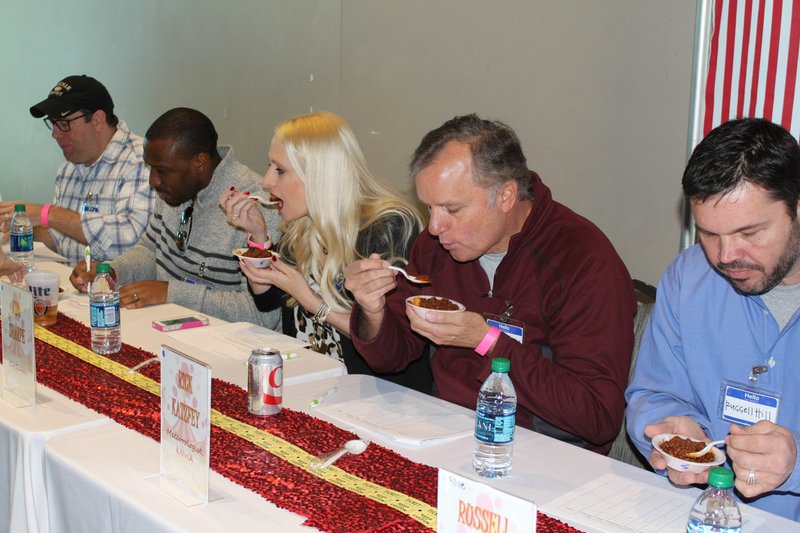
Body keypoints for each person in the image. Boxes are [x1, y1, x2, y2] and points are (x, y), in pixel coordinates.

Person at [344, 114, 636, 453]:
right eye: (429, 208)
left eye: (451, 209)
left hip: (539, 455)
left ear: (507, 196)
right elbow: (392, 358)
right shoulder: (436, 249)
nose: (435, 227)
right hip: (444, 435)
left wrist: (487, 341)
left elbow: (597, 416)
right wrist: (372, 310)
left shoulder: (582, 259)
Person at [626, 118, 800, 521]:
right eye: (708, 234)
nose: (726, 256)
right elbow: (651, 394)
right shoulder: (690, 278)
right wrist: (670, 427)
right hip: (697, 514)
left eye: (750, 232)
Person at [220, 111, 432, 392]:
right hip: (313, 382)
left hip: (377, 396)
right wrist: (258, 238)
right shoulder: (302, 223)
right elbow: (268, 300)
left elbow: (389, 342)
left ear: (319, 175)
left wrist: (311, 301)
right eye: (269, 166)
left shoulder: (389, 225)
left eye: (280, 169)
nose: (267, 181)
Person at [70, 107, 281, 330]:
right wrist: (112, 273)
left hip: (229, 349)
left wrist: (171, 292)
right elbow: (151, 250)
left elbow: (262, 316)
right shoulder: (176, 188)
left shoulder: (256, 208)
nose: (153, 181)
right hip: (166, 330)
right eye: (151, 168)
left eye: (162, 171)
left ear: (199, 163)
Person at [0, 75, 153, 265]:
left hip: (117, 292)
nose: (55, 134)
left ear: (97, 120)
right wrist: (23, 231)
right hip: (73, 288)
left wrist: (46, 214)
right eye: (53, 123)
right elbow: (61, 239)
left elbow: (131, 243)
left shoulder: (141, 161)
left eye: (64, 124)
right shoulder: (69, 168)